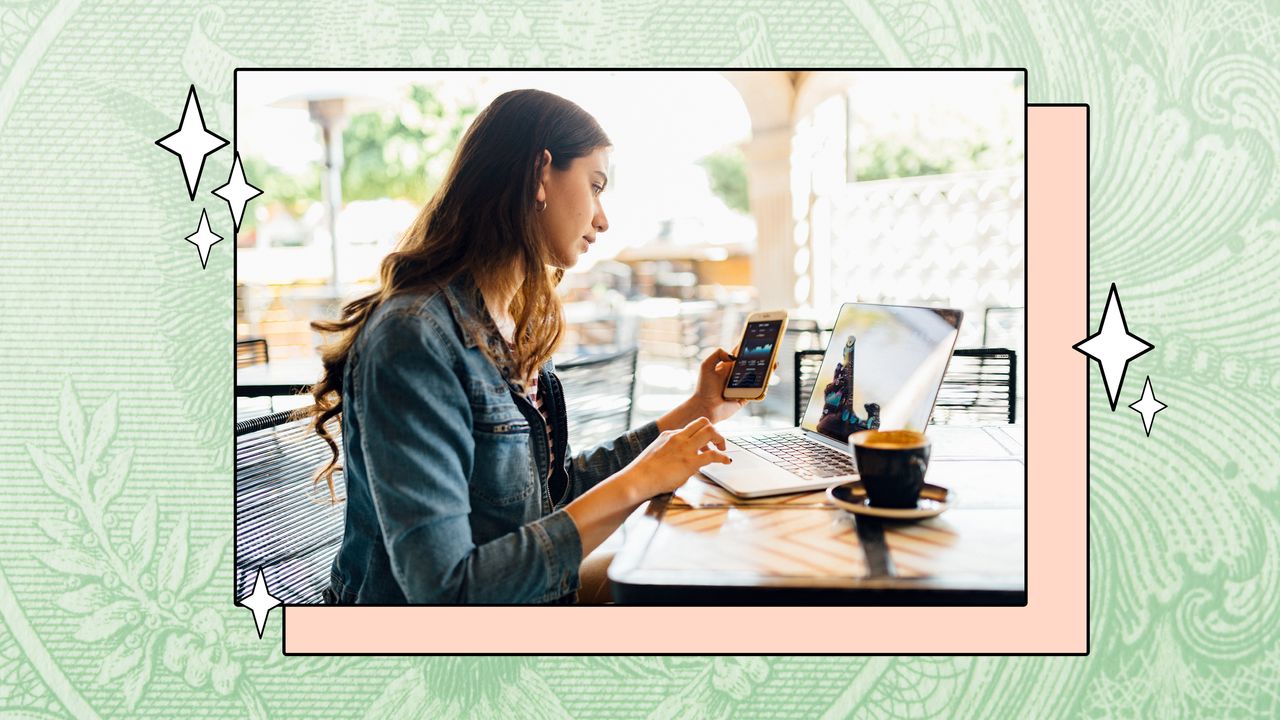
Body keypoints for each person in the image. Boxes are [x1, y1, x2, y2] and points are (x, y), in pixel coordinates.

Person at [306, 88, 757, 604]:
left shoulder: (508, 323)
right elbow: (444, 590)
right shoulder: (414, 337)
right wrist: (637, 483)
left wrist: (698, 411)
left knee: (701, 570)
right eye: (595, 185)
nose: (603, 219)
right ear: (542, 172)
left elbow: (552, 494)